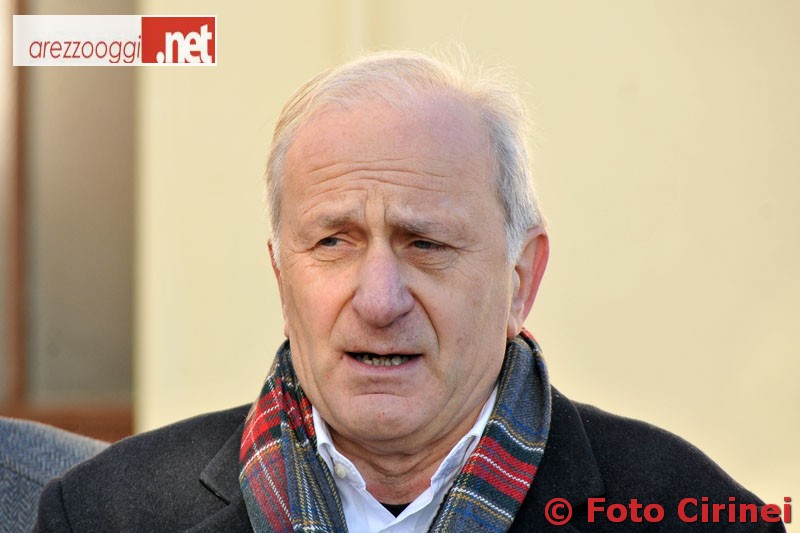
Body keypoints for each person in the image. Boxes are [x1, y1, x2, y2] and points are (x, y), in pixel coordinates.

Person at [35, 50, 785, 532]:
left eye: (426, 244)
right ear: (282, 279)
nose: (379, 299)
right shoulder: (100, 514)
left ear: (520, 280)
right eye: (333, 242)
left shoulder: (697, 514)